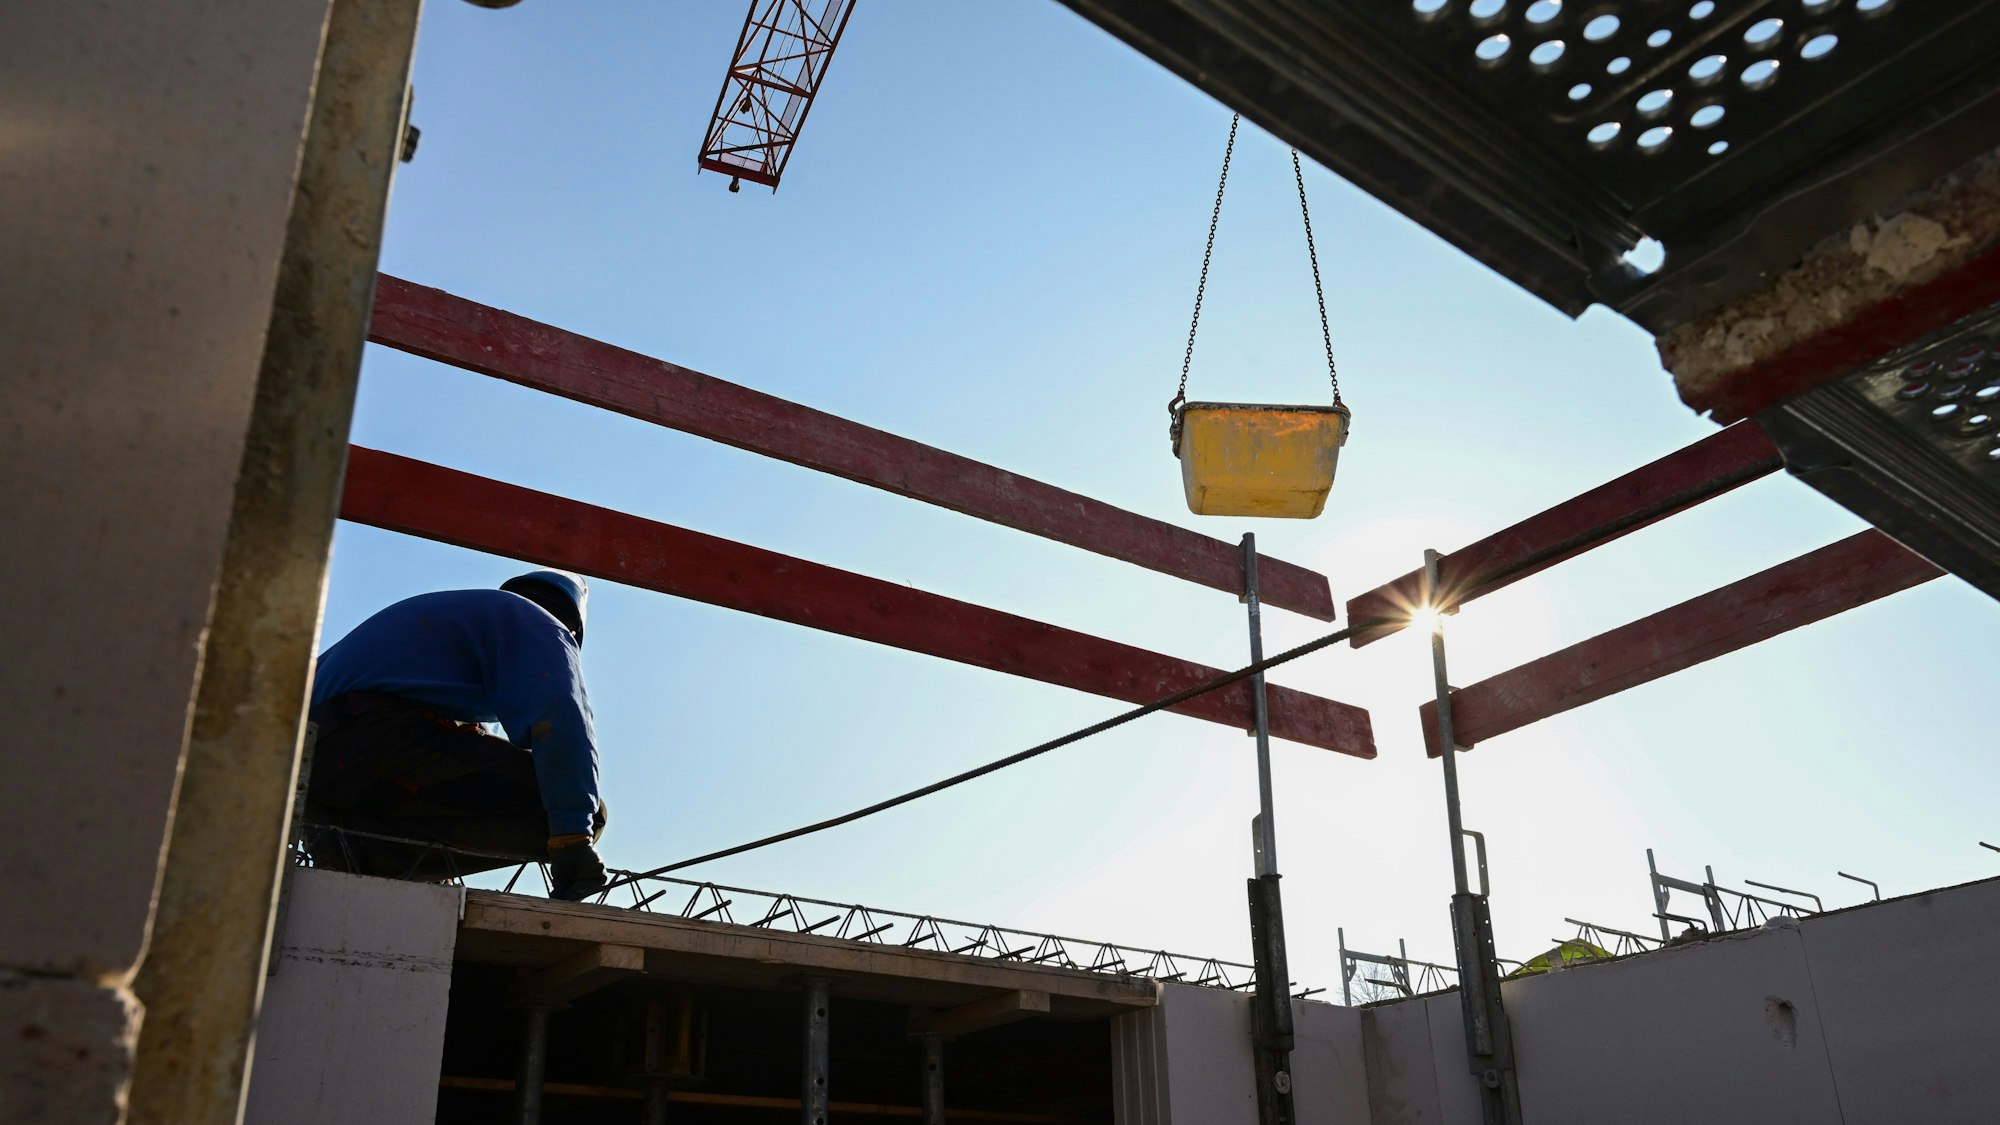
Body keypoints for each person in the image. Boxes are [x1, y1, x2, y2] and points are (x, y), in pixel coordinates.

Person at [303, 569, 609, 901]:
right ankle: (378, 856)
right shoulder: (539, 625)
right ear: (573, 630)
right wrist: (573, 836)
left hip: (306, 763)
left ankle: (357, 844)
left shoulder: (459, 626)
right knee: (586, 813)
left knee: (461, 787)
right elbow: (559, 717)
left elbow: (474, 744)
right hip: (378, 733)